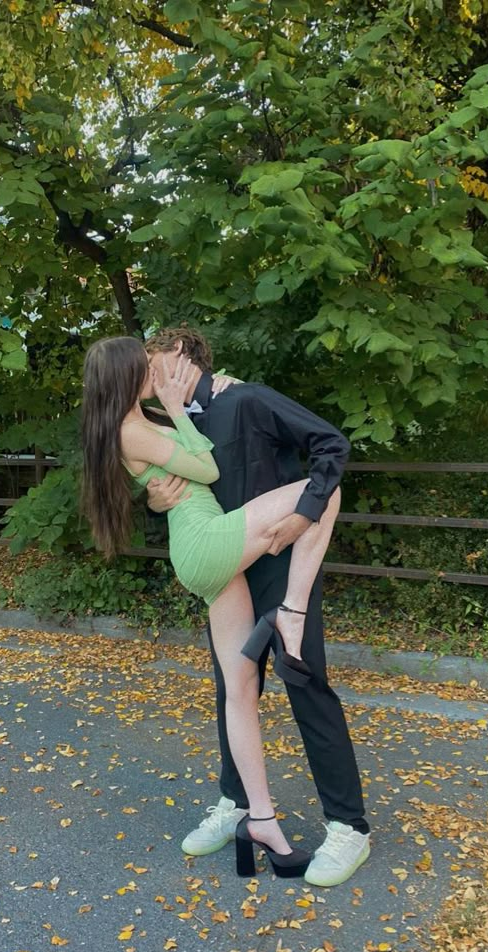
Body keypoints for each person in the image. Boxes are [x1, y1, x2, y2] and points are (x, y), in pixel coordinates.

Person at [81, 335, 343, 879]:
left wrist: (203, 391)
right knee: (320, 492)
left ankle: (261, 818)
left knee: (239, 690)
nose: (153, 379)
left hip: (203, 551)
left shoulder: (137, 419)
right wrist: (177, 411)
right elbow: (206, 471)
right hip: (206, 544)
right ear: (127, 378)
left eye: (157, 367)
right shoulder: (135, 426)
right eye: (144, 370)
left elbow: (187, 442)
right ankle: (292, 609)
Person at [144, 327, 371, 887]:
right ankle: (238, 802)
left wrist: (303, 513)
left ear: (181, 355)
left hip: (281, 567)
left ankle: (349, 827)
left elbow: (331, 445)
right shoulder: (173, 426)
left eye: (153, 362)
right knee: (233, 689)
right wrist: (153, 499)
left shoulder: (246, 398)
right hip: (227, 573)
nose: (147, 377)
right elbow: (175, 502)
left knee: (305, 681)